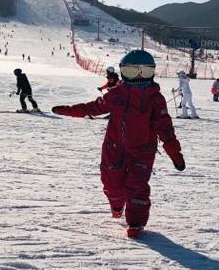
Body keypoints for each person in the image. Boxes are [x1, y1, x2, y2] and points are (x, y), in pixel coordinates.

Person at [51, 50, 185, 238]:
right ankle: (116, 203)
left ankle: (136, 223)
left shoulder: (156, 99)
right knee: (111, 181)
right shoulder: (117, 95)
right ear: (123, 73)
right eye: (132, 72)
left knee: (137, 186)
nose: (139, 78)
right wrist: (69, 111)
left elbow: (164, 127)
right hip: (114, 147)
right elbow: (93, 108)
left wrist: (174, 153)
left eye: (144, 72)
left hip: (143, 151)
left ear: (152, 72)